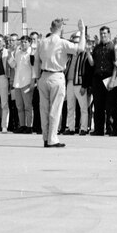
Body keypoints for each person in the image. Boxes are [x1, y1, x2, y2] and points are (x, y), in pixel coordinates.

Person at [33, 18, 87, 148]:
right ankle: (52, 139)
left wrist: (37, 77)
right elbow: (80, 48)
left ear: (51, 28)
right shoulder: (63, 43)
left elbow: (36, 60)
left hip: (43, 76)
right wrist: (82, 31)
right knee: (55, 109)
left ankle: (46, 138)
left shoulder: (42, 42)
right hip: (57, 76)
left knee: (44, 109)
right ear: (61, 29)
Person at [87, 26, 117, 136]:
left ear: (109, 34)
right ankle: (98, 129)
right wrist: (88, 52)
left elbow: (116, 65)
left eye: (105, 34)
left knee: (111, 105)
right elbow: (92, 64)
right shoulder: (97, 48)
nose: (103, 36)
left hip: (109, 77)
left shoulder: (113, 47)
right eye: (101, 34)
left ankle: (111, 129)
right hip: (97, 78)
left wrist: (113, 79)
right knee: (98, 105)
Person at [63, 31, 92, 136]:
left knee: (83, 107)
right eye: (74, 42)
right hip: (70, 83)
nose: (75, 45)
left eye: (77, 42)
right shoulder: (70, 55)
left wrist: (84, 86)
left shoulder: (85, 55)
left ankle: (83, 128)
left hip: (80, 84)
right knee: (70, 106)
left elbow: (88, 72)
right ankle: (70, 127)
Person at [10, 35, 36, 134]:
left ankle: (29, 126)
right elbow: (13, 65)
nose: (23, 44)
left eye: (25, 42)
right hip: (18, 82)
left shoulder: (32, 53)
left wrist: (33, 82)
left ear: (29, 43)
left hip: (27, 82)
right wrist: (9, 55)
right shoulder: (18, 53)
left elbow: (34, 68)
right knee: (19, 106)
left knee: (28, 106)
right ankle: (22, 125)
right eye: (22, 42)